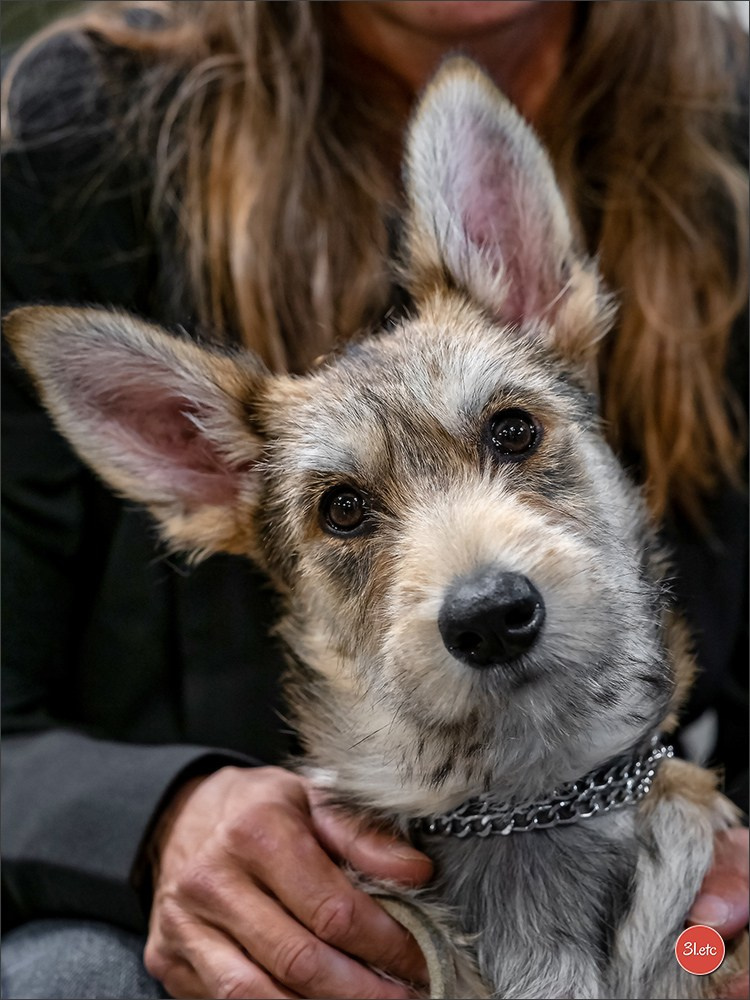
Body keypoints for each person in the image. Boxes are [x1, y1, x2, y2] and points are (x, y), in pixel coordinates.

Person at [2, 2, 747, 998]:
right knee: (72, 976)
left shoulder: (729, 107)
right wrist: (159, 813)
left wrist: (713, 941)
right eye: (348, 511)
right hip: (312, 925)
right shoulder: (70, 141)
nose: (480, 579)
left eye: (512, 436)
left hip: (677, 908)